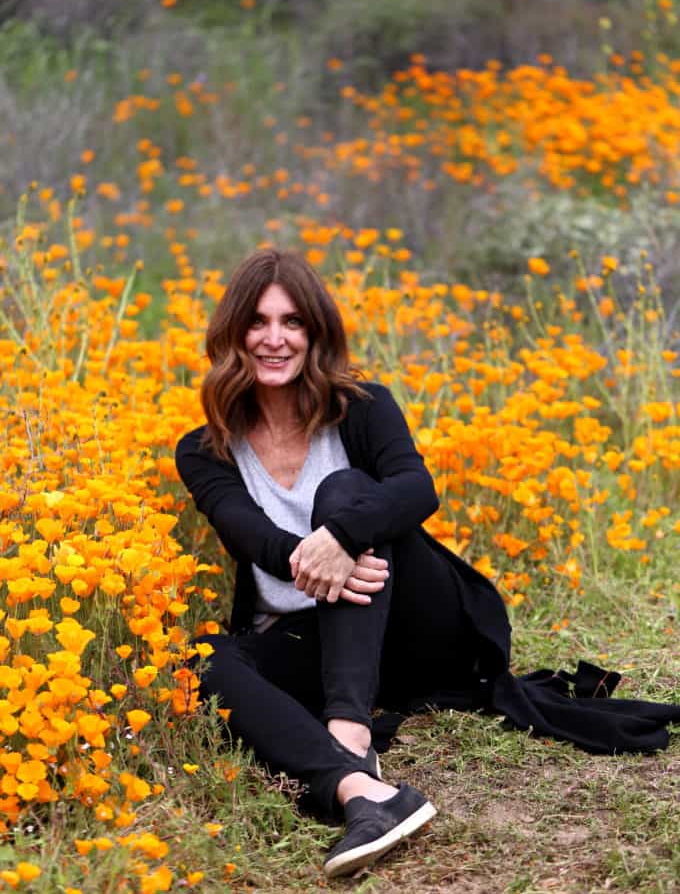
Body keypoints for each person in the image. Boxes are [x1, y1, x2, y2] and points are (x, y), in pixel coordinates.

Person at [175, 248, 680, 879]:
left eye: (293, 322)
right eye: (258, 322)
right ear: (232, 335)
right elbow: (249, 536)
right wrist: (320, 558)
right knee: (200, 660)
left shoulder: (361, 405)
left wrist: (341, 535)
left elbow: (418, 490)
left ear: (316, 333)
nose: (274, 339)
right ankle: (364, 793)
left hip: (416, 622)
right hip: (314, 634)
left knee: (346, 491)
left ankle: (349, 732)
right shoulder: (205, 449)